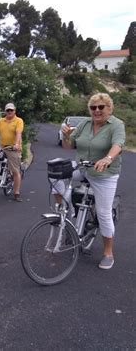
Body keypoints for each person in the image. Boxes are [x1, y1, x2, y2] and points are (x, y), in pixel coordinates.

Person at [57, 93, 125, 270]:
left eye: (101, 107)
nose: (96, 110)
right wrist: (65, 136)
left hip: (105, 174)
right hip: (83, 169)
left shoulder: (116, 125)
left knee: (103, 214)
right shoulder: (85, 124)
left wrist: (107, 158)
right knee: (55, 176)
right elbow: (68, 146)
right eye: (93, 107)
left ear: (109, 108)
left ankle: (108, 253)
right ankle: (67, 214)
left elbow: (118, 144)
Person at [0, 103, 24, 202]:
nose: (9, 112)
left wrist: (17, 144)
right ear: (5, 111)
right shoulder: (1, 121)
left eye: (11, 110)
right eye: (8, 110)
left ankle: (16, 193)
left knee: (15, 171)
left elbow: (18, 133)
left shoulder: (19, 121)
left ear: (15, 111)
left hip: (13, 147)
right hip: (1, 145)